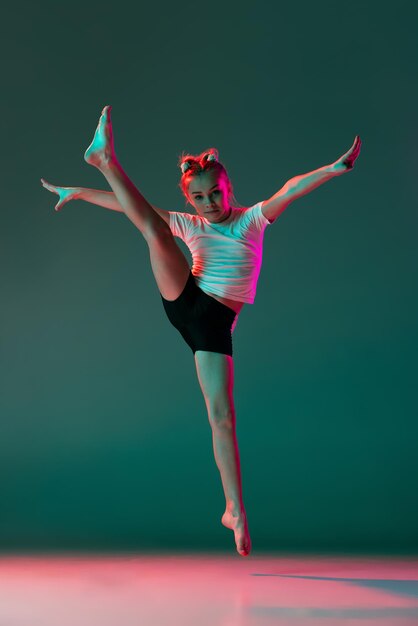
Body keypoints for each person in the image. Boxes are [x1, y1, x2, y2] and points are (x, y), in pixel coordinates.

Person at [41, 106, 362, 557]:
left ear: (227, 189)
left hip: (214, 327)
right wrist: (81, 193)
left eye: (215, 194)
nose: (209, 204)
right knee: (154, 231)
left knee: (221, 416)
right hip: (187, 300)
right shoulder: (190, 224)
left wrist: (332, 169)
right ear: (190, 200)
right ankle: (104, 160)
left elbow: (288, 189)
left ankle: (234, 509)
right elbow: (132, 209)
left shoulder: (252, 220)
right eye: (200, 198)